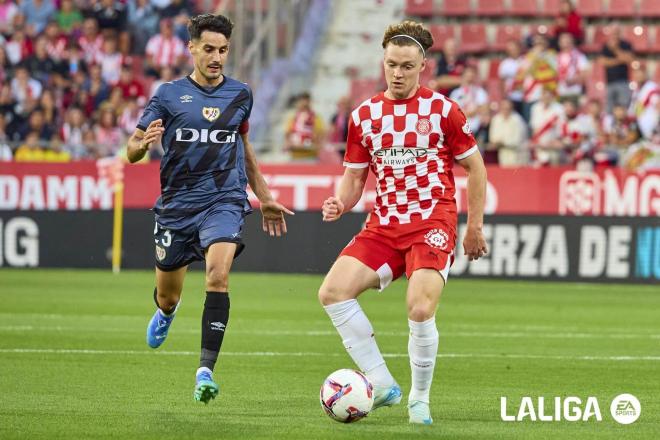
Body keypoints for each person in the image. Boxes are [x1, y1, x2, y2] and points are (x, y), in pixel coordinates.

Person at [318, 20, 487, 425]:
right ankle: (383, 383)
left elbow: (476, 169)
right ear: (383, 61)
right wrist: (341, 203)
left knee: (419, 308)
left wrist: (474, 227)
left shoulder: (443, 111)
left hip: (433, 221)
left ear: (423, 65)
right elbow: (356, 177)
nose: (397, 73)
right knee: (333, 292)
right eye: (391, 64)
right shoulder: (364, 115)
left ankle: (420, 400)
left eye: (407, 66)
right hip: (384, 225)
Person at [126, 14, 293, 404]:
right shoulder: (167, 95)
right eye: (209, 49)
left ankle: (205, 371)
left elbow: (244, 149)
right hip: (176, 206)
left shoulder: (241, 94)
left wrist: (263, 196)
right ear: (192, 48)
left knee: (218, 276)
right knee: (168, 296)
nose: (217, 57)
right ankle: (166, 313)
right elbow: (131, 149)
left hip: (224, 200)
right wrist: (142, 145)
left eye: (223, 50)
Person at [599, 24, 634, 113]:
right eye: (613, 32)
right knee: (609, 109)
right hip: (609, 82)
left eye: (616, 32)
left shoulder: (626, 44)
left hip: (623, 81)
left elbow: (629, 59)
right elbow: (603, 62)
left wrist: (615, 49)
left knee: (624, 107)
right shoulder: (605, 46)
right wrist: (619, 60)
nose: (615, 35)